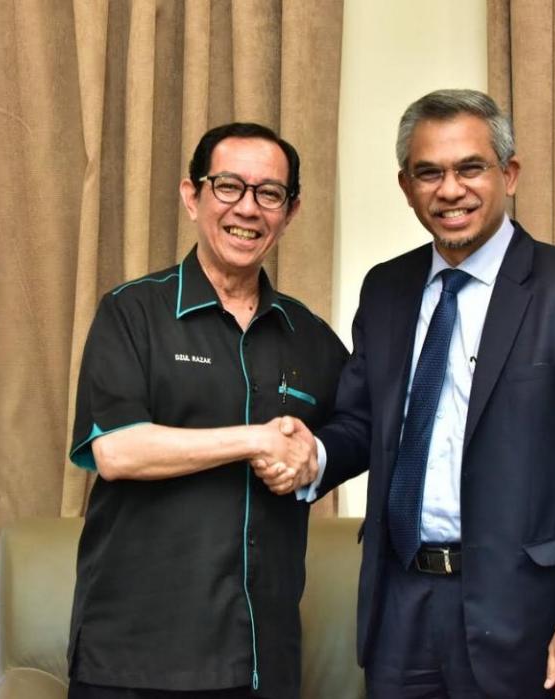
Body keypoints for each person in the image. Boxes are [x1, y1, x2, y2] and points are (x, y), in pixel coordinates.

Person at [259, 89, 555, 698]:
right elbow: (361, 423)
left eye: (470, 168)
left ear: (509, 174)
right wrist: (313, 455)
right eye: (429, 173)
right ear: (407, 186)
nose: (450, 189)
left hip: (525, 613)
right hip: (399, 606)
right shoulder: (386, 288)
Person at [65, 122, 348, 699]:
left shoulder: (311, 336)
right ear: (191, 196)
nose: (248, 208)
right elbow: (115, 450)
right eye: (228, 187)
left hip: (261, 658)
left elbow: (364, 430)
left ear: (289, 212)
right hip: (134, 654)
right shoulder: (132, 312)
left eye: (269, 194)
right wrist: (255, 440)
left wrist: (312, 458)